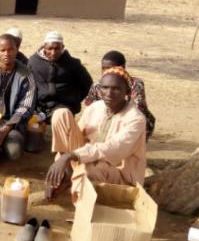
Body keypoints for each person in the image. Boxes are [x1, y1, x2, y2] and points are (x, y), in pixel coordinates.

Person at [45, 67, 146, 199]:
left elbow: (114, 149)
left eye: (116, 88)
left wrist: (70, 156)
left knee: (90, 169)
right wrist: (61, 164)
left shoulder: (136, 118)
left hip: (118, 173)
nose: (109, 93)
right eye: (105, 87)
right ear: (99, 90)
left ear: (127, 91)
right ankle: (68, 174)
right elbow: (70, 138)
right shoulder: (96, 107)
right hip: (86, 159)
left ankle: (78, 196)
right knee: (60, 114)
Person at [84, 50, 155, 140]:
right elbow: (91, 108)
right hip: (106, 118)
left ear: (123, 68)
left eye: (110, 68)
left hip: (129, 119)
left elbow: (139, 108)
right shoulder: (97, 85)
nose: (106, 71)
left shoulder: (135, 84)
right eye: (104, 68)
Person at [28, 31, 93, 118]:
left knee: (60, 116)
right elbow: (27, 85)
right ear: (44, 47)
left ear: (62, 47)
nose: (53, 52)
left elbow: (87, 84)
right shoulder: (33, 62)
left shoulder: (73, 64)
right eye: (50, 48)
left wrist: (75, 98)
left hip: (64, 106)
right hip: (40, 107)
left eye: (57, 48)